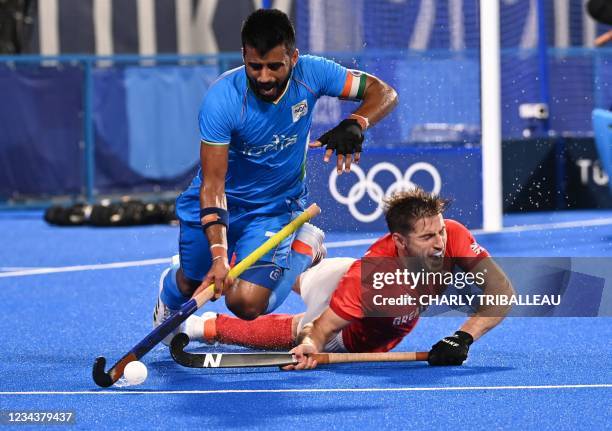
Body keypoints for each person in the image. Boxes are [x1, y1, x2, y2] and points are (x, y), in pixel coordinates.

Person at [153, 8, 398, 342]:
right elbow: (213, 185)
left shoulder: (313, 73)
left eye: (274, 66)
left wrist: (357, 122)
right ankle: (167, 300)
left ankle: (305, 246)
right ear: (243, 56)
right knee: (191, 280)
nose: (264, 77)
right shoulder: (222, 100)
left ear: (293, 58)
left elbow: (383, 92)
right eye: (255, 66)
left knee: (246, 302)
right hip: (220, 199)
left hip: (274, 207)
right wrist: (220, 257)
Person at [185, 188, 515, 368]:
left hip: (344, 277)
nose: (440, 243)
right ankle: (208, 326)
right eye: (428, 238)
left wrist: (463, 337)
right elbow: (323, 328)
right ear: (400, 241)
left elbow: (501, 290)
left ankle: (303, 259)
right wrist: (311, 346)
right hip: (354, 320)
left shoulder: (453, 236)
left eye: (440, 231)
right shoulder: (372, 279)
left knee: (315, 285)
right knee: (299, 330)